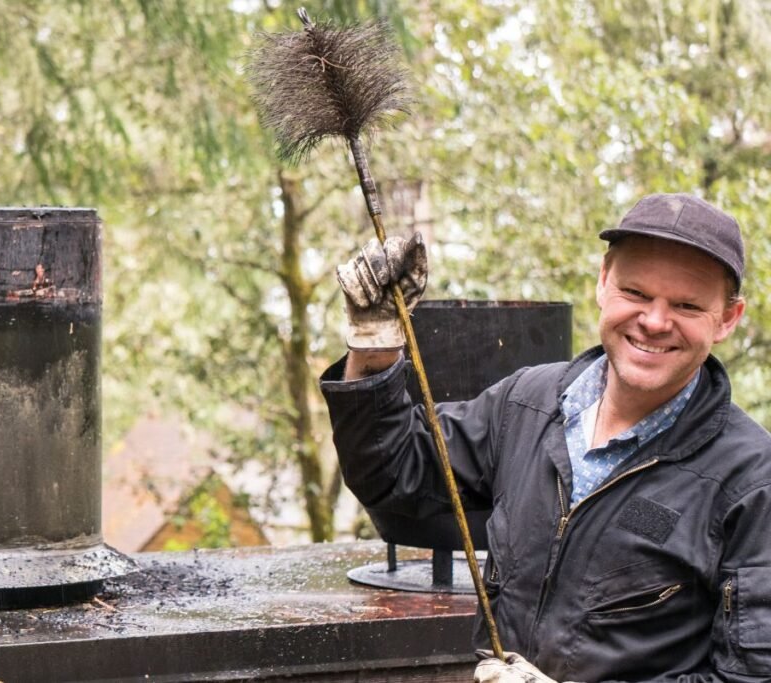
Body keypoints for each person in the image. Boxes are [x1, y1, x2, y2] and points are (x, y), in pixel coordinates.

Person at [320, 193, 771, 682]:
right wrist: (374, 345)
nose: (655, 321)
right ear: (603, 281)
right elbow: (393, 474)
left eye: (686, 305)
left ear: (727, 318)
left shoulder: (752, 482)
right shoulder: (526, 404)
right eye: (636, 293)